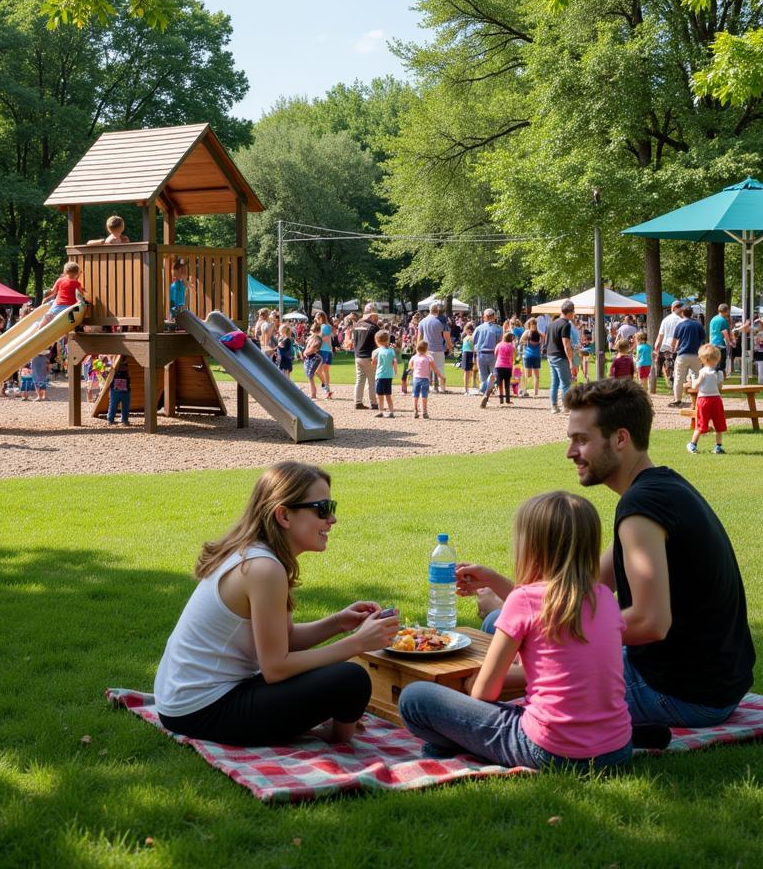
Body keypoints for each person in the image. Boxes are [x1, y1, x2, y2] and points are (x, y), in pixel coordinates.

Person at [458, 379, 755, 728]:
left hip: (679, 693)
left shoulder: (640, 509)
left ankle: (495, 692)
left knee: (482, 665)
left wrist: (530, 630)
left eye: (582, 440)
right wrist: (501, 589)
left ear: (620, 439)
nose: (570, 452)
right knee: (499, 622)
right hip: (712, 684)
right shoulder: (660, 489)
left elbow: (651, 622)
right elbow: (574, 594)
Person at [152, 462, 400, 745]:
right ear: (284, 515)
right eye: (323, 509)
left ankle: (336, 726)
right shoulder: (264, 569)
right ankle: (338, 739)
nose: (332, 520)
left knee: (332, 676)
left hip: (184, 702)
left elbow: (284, 641)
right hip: (203, 710)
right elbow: (276, 668)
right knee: (351, 679)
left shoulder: (258, 556)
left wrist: (337, 623)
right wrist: (356, 644)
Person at [400, 491, 631, 771]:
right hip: (617, 750)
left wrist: (466, 683)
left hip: (550, 751)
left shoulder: (525, 600)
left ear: (531, 547)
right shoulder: (604, 597)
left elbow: (484, 693)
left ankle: (450, 743)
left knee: (415, 698)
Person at [686, 344, 726, 455]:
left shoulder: (703, 371)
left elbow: (695, 386)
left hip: (703, 399)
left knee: (701, 423)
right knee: (719, 423)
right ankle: (718, 446)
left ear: (704, 359)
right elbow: (719, 387)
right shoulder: (719, 372)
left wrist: (692, 379)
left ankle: (693, 444)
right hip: (716, 399)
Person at [545, 300, 579, 414]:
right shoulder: (566, 324)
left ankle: (554, 406)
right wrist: (571, 362)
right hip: (560, 356)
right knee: (565, 383)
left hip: (550, 355)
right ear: (570, 312)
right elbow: (566, 345)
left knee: (554, 382)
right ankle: (566, 407)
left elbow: (547, 341)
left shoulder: (551, 324)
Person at [670, 307, 706, 406]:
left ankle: (677, 399)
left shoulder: (680, 325)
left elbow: (674, 341)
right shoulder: (698, 325)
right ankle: (697, 398)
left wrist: (673, 350)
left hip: (683, 354)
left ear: (682, 314)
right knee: (696, 376)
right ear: (692, 314)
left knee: (679, 377)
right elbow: (703, 340)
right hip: (696, 354)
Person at [350, 304, 381, 410]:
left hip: (358, 355)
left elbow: (354, 340)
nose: (376, 318)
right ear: (371, 315)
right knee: (372, 381)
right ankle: (374, 403)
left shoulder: (356, 324)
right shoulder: (374, 327)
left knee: (359, 380)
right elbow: (378, 343)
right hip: (369, 356)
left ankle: (358, 402)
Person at [38, 261, 87, 328]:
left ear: (65, 271)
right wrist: (84, 292)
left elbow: (53, 292)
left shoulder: (60, 280)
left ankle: (40, 327)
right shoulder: (76, 283)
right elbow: (82, 293)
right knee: (68, 323)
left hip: (57, 305)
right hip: (69, 308)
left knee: (45, 322)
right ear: (76, 273)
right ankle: (75, 326)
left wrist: (46, 295)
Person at [417, 304, 452, 393]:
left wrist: (418, 349)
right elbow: (446, 336)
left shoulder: (422, 321)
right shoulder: (441, 322)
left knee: (426, 369)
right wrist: (449, 347)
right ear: (438, 311)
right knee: (440, 368)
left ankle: (427, 387)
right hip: (439, 349)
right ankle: (442, 388)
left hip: (425, 349)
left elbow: (419, 337)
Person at [408, 338, 444, 419]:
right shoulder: (429, 358)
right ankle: (424, 412)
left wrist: (413, 368)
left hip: (416, 378)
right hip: (425, 379)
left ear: (417, 348)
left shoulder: (414, 357)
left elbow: (410, 365)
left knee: (415, 395)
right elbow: (435, 369)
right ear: (426, 349)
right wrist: (440, 376)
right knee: (424, 396)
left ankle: (415, 411)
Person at [473, 308, 503, 401]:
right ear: (494, 317)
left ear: (484, 317)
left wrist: (474, 355)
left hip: (481, 354)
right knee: (493, 375)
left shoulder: (478, 328)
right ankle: (489, 390)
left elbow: (473, 342)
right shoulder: (498, 329)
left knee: (483, 375)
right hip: (493, 354)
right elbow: (500, 342)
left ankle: (483, 391)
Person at [653, 300, 684, 389]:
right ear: (674, 308)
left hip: (666, 348)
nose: (681, 309)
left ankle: (671, 382)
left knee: (669, 367)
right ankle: (674, 383)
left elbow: (660, 337)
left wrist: (656, 350)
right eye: (680, 307)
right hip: (677, 348)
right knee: (677, 368)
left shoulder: (665, 320)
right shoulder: (681, 321)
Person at [484, 329, 515, 408]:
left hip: (499, 365)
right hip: (508, 366)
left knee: (499, 383)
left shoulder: (499, 345)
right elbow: (512, 356)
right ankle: (507, 400)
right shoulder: (511, 346)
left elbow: (496, 354)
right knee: (507, 384)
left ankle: (500, 399)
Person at [371, 329, 397, 418]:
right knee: (388, 395)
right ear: (387, 340)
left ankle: (381, 411)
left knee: (380, 395)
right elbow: (394, 362)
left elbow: (373, 363)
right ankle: (391, 411)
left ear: (377, 340)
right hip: (389, 375)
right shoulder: (392, 351)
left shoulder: (377, 351)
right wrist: (395, 372)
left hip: (380, 375)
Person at [313, 312, 335, 399]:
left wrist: (314, 337)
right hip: (328, 350)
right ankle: (327, 390)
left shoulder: (324, 326)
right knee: (325, 371)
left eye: (316, 317)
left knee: (317, 371)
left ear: (320, 318)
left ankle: (326, 388)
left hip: (323, 350)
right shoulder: (327, 326)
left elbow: (325, 338)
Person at [519, 319, 541, 398]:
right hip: (528, 355)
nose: (534, 325)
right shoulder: (527, 332)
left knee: (536, 375)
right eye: (533, 324)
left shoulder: (538, 332)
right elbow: (521, 341)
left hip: (535, 355)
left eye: (535, 323)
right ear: (529, 325)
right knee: (527, 374)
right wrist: (529, 343)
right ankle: (525, 390)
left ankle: (535, 392)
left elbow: (543, 339)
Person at [107, 356, 131, 426]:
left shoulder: (121, 360)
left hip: (124, 388)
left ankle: (124, 420)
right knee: (114, 404)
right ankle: (111, 419)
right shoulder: (115, 360)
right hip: (117, 388)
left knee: (124, 405)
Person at [709, 303, 733, 372]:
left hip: (712, 343)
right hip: (720, 345)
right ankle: (719, 381)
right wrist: (729, 343)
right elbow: (725, 332)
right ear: (727, 311)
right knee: (720, 366)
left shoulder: (713, 319)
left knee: (713, 364)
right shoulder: (723, 320)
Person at [301, 326, 323, 399]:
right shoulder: (313, 339)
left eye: (312, 331)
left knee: (310, 377)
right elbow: (307, 350)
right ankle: (313, 394)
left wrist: (305, 352)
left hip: (313, 359)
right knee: (310, 377)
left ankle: (313, 394)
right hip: (310, 358)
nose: (311, 333)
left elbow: (311, 350)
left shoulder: (316, 339)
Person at [460, 322, 476, 394]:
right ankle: (466, 388)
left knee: (467, 372)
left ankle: (467, 387)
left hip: (467, 354)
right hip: (467, 354)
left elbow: (473, 348)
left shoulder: (467, 337)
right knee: (467, 372)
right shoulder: (468, 337)